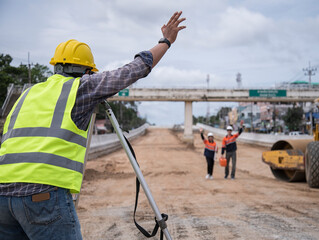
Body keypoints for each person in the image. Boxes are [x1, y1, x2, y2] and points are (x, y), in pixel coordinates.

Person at [0, 11, 186, 240]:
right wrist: (165, 42)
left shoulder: (26, 95)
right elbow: (134, 69)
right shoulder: (80, 88)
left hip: (3, 198)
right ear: (86, 71)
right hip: (42, 197)